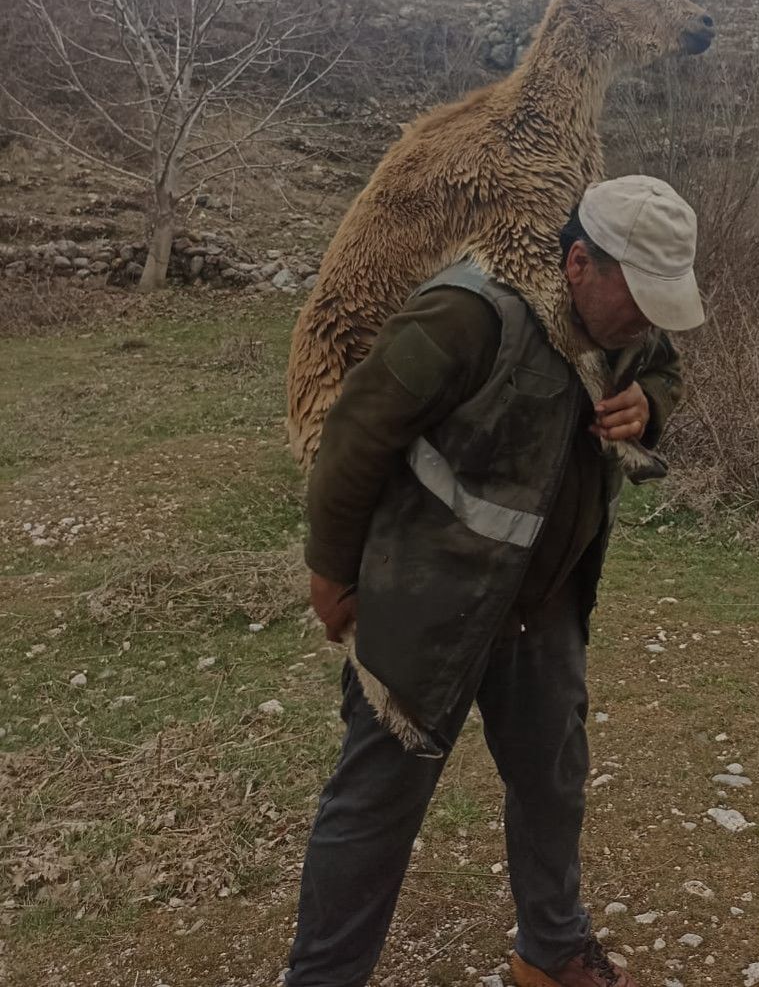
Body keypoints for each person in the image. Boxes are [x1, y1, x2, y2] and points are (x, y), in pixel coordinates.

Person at [286, 175, 706, 987]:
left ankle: (549, 950)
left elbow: (663, 365)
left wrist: (648, 405)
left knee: (552, 779)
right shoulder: (468, 312)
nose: (651, 317)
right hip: (429, 603)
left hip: (541, 605)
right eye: (641, 297)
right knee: (374, 809)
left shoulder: (623, 323)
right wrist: (332, 570)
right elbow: (355, 434)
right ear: (579, 260)